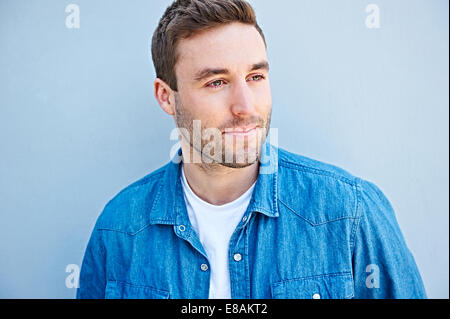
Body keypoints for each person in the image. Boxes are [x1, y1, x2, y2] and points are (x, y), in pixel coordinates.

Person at [77, 0, 426, 299]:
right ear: (166, 96)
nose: (245, 106)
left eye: (255, 77)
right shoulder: (119, 229)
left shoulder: (350, 211)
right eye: (217, 82)